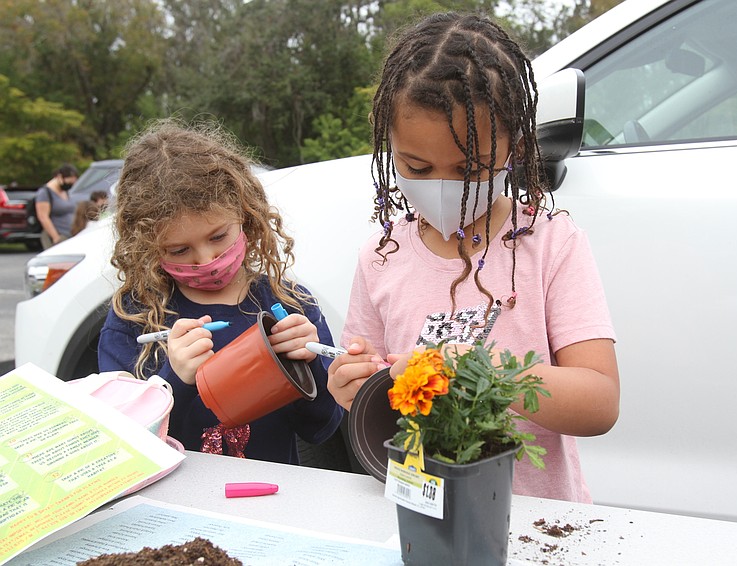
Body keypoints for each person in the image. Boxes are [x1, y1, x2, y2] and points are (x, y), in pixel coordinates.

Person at [328, 13, 620, 502]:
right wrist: (351, 388)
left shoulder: (551, 244)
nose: (444, 186)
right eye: (417, 167)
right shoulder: (380, 257)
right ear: (390, 148)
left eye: (470, 169)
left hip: (535, 521)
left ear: (515, 147)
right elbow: (373, 393)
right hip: (420, 511)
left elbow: (600, 403)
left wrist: (486, 371)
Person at [98, 120, 343, 464]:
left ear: (246, 215)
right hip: (175, 496)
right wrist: (173, 380)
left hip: (270, 490)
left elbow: (321, 429)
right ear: (147, 248)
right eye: (179, 250)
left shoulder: (289, 304)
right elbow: (121, 447)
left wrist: (310, 365)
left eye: (218, 236)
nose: (207, 259)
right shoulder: (134, 318)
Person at [35, 163, 78, 249]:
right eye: (69, 182)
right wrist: (56, 237)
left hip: (70, 235)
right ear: (60, 177)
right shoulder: (45, 193)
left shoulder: (65, 192)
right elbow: (43, 217)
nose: (70, 185)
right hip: (58, 236)